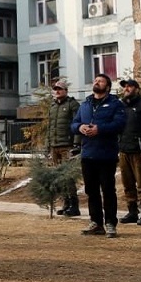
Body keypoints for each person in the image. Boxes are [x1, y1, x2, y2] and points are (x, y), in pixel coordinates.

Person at [70, 73, 125, 238]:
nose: (96, 82)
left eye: (100, 81)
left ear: (107, 87)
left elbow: (120, 124)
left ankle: (110, 223)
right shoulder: (85, 104)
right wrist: (80, 128)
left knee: (108, 190)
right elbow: (73, 123)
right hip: (88, 154)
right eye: (95, 80)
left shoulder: (115, 104)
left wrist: (99, 129)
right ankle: (96, 222)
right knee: (91, 190)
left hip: (106, 154)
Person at [117, 78, 141, 226]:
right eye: (125, 86)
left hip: (139, 151)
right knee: (127, 183)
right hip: (123, 150)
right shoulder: (120, 107)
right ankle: (132, 212)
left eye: (130, 86)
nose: (126, 89)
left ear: (137, 89)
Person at [47, 79, 81, 216]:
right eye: (55, 89)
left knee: (68, 177)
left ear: (66, 91)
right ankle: (66, 203)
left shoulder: (72, 105)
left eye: (60, 89)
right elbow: (50, 127)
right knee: (59, 177)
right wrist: (47, 146)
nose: (57, 91)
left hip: (67, 146)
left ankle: (74, 205)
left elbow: (78, 124)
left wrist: (76, 144)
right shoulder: (53, 107)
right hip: (55, 146)